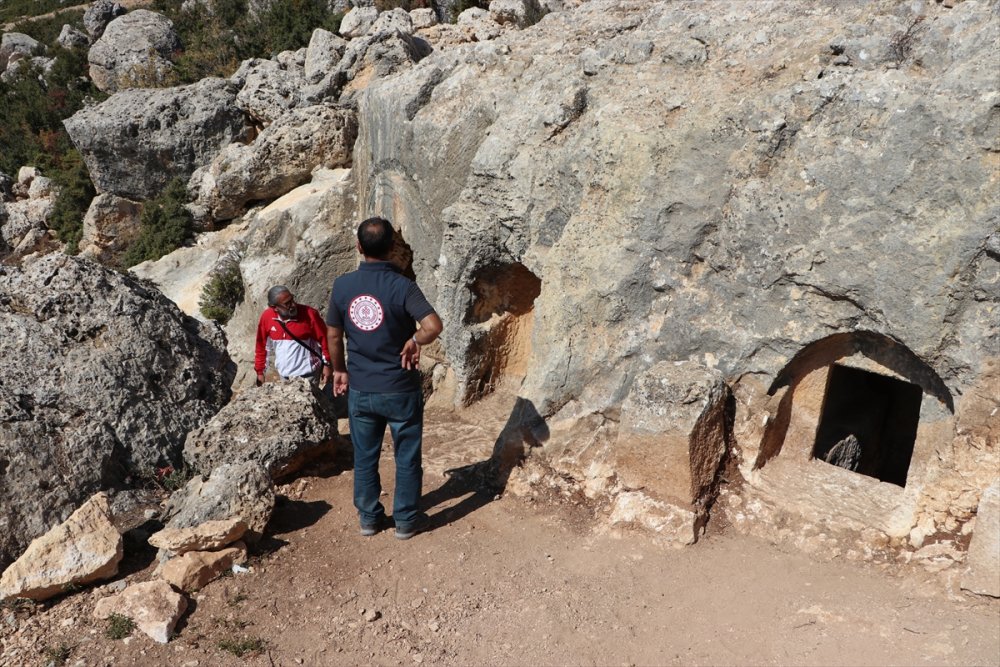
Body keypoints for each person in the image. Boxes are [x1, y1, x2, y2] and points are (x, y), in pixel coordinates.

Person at [326, 217, 443, 540]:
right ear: (393, 247)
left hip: (361, 388)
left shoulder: (343, 286)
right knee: (406, 455)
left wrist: (339, 370)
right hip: (400, 387)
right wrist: (415, 340)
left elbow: (334, 336)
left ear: (359, 247)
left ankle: (369, 518)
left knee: (365, 455)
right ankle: (405, 521)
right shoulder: (403, 286)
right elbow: (433, 326)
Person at [254, 285, 332, 387]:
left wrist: (327, 364)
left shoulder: (309, 314)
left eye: (292, 299)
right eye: (287, 304)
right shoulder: (267, 317)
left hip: (309, 374)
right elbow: (262, 346)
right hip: (284, 375)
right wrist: (260, 372)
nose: (293, 305)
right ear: (275, 308)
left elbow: (325, 339)